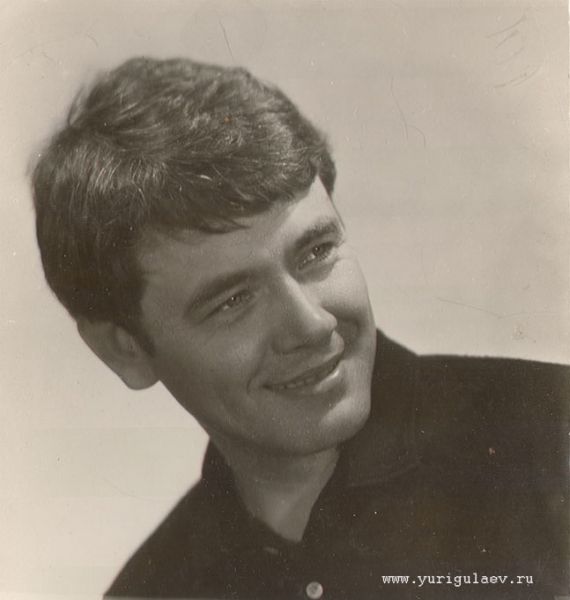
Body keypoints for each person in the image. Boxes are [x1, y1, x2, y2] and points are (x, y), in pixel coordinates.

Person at [31, 57, 568, 600]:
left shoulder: (554, 441)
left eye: (316, 252)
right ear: (124, 350)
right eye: (232, 301)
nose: (311, 324)